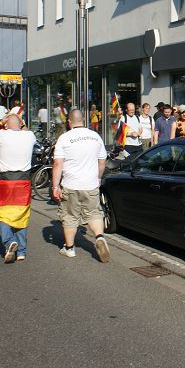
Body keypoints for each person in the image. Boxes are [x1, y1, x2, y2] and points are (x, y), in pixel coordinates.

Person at [52, 109, 111, 263]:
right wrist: (97, 178)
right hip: (90, 184)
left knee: (70, 216)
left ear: (69, 122)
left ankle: (69, 248)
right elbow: (102, 161)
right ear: (84, 120)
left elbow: (58, 163)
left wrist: (55, 186)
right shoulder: (95, 136)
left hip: (71, 184)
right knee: (94, 213)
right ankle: (99, 237)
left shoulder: (64, 138)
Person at [0, 114, 37, 263]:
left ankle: (9, 241)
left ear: (6, 124)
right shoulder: (29, 135)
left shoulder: (2, 134)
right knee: (21, 215)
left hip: (6, 182)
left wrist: (0, 123)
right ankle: (21, 251)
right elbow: (25, 129)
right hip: (24, 182)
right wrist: (20, 121)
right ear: (20, 124)